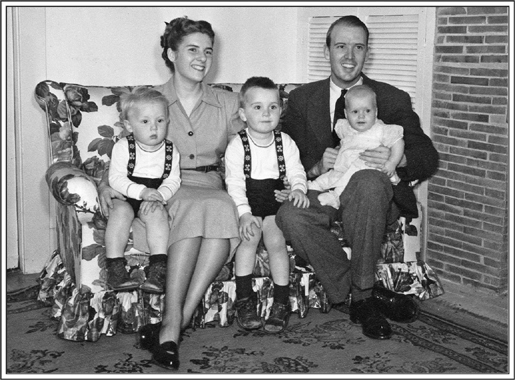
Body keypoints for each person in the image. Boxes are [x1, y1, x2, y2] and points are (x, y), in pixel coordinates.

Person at [276, 15, 439, 340]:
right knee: (290, 215)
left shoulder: (390, 99)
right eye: (340, 46)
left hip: (376, 193)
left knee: (367, 181)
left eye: (358, 47)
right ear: (327, 52)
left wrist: (398, 157)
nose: (349, 56)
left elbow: (427, 156)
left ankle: (361, 297)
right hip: (327, 189)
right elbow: (283, 155)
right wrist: (316, 166)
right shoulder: (302, 99)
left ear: (367, 53)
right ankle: (363, 296)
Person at [99, 17, 245, 370]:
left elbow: (255, 146)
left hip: (212, 185)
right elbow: (123, 152)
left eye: (207, 51)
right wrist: (105, 183)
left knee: (220, 206)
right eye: (192, 50)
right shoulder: (150, 101)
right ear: (170, 53)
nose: (202, 58)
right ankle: (173, 325)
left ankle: (173, 323)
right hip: (166, 188)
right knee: (204, 211)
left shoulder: (229, 102)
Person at [224, 76, 309, 333]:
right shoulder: (238, 145)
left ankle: (281, 302)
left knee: (276, 242)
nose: (266, 113)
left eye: (273, 107)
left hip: (274, 206)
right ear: (243, 113)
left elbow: (297, 171)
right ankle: (244, 300)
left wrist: (298, 189)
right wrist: (244, 215)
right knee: (248, 240)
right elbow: (234, 183)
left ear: (280, 111)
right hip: (247, 205)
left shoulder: (286, 142)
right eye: (257, 107)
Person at [105, 87, 181, 293]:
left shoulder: (171, 150)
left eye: (160, 121)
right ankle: (115, 267)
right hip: (128, 194)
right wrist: (140, 192)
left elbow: (173, 180)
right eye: (145, 122)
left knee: (157, 215)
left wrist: (159, 196)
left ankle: (158, 268)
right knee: (120, 212)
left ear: (168, 121)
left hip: (153, 196)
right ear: (129, 126)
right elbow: (116, 178)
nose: (154, 128)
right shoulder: (123, 146)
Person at [308, 84, 404, 209]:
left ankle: (336, 197)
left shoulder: (381, 129)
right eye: (355, 111)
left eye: (367, 111)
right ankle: (309, 187)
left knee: (350, 179)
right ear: (346, 114)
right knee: (327, 178)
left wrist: (392, 161)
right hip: (343, 166)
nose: (361, 116)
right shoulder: (345, 127)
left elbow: (398, 142)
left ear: (376, 112)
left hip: (365, 167)